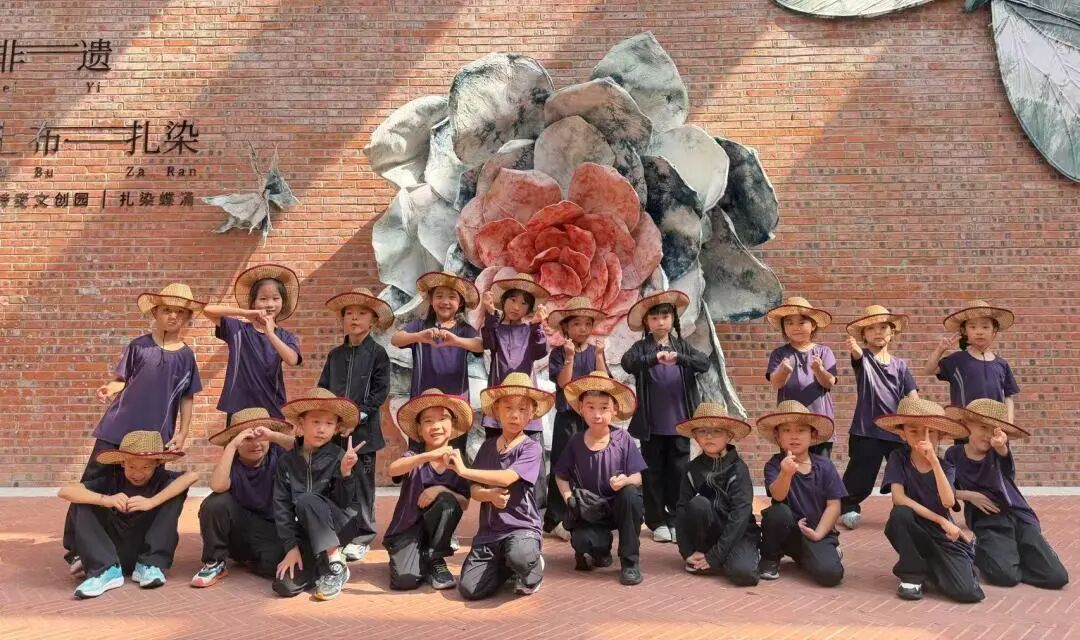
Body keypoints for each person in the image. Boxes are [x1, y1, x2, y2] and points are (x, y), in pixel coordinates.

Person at [63, 283, 204, 573]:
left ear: (188, 317)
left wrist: (183, 432)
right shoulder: (139, 346)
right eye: (167, 310)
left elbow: (187, 397)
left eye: (180, 312)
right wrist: (110, 388)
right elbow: (121, 380)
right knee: (92, 483)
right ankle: (77, 549)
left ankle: (143, 552)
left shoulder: (186, 357)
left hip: (155, 438)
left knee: (150, 489)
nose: (173, 316)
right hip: (116, 429)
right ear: (155, 312)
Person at [944, 399, 1068, 590]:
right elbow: (946, 490)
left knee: (1057, 577)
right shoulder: (954, 454)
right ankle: (982, 550)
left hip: (1018, 516)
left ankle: (1013, 557)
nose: (988, 435)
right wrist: (969, 495)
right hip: (988, 520)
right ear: (967, 424)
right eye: (983, 427)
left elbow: (1005, 461)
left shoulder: (996, 452)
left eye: (993, 430)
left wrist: (1001, 447)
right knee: (1006, 577)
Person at [450, 373, 553, 600]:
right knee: (470, 589)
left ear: (532, 413)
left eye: (522, 409)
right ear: (497, 410)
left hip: (521, 528)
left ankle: (531, 567)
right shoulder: (487, 448)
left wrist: (464, 470)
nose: (515, 415)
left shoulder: (531, 448)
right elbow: (474, 489)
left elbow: (508, 477)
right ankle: (507, 566)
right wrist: (488, 495)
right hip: (490, 533)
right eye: (508, 408)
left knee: (520, 556)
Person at [59, 431, 198, 598]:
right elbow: (65, 491)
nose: (138, 474)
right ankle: (105, 570)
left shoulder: (163, 479)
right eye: (132, 467)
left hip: (144, 549)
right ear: (122, 463)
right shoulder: (111, 479)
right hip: (113, 551)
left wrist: (152, 502)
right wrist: (106, 500)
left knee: (173, 494)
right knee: (82, 500)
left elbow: (192, 476)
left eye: (145, 467)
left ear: (157, 463)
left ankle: (150, 565)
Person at [621, 290, 708, 544]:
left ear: (673, 319)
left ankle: (676, 519)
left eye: (665, 317)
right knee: (653, 474)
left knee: (679, 473)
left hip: (680, 424)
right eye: (655, 318)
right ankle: (657, 521)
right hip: (651, 425)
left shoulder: (681, 346)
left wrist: (680, 358)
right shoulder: (641, 348)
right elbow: (628, 363)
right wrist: (653, 358)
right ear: (647, 322)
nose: (660, 322)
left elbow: (703, 363)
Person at [878, 397, 983, 602]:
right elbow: (899, 498)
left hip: (943, 536)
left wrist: (934, 461)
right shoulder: (898, 458)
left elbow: (947, 502)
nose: (922, 438)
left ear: (941, 435)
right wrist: (941, 520)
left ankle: (932, 569)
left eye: (930, 432)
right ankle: (911, 576)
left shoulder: (946, 467)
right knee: (900, 515)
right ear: (902, 433)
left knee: (967, 593)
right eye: (913, 431)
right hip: (914, 529)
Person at [319, 287, 394, 562]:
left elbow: (380, 392)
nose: (354, 318)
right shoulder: (335, 355)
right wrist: (332, 420)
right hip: (335, 432)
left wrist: (356, 417)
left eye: (362, 313)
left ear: (372, 320)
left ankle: (363, 536)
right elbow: (323, 389)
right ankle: (339, 532)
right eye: (349, 313)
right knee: (336, 482)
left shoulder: (378, 354)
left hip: (363, 433)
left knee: (362, 485)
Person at [271, 388, 364, 601]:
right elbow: (281, 506)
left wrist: (345, 472)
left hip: (339, 525)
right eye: (315, 422)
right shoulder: (286, 461)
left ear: (336, 428)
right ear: (301, 423)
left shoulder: (340, 457)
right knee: (284, 585)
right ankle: (323, 566)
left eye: (329, 423)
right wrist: (291, 547)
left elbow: (343, 503)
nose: (322, 429)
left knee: (307, 500)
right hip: (305, 531)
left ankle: (335, 562)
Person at [555, 371, 645, 585]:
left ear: (614, 409)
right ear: (581, 408)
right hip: (590, 509)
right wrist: (569, 498)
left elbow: (638, 477)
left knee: (630, 495)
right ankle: (599, 551)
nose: (597, 414)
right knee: (583, 541)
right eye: (591, 407)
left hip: (619, 507)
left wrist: (625, 481)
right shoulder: (576, 442)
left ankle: (630, 563)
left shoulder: (623, 439)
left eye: (604, 407)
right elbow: (560, 476)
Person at [192, 408, 295, 588]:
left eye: (260, 437)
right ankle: (215, 562)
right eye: (247, 439)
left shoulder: (279, 455)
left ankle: (253, 560)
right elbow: (218, 486)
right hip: (239, 530)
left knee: (276, 568)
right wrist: (231, 446)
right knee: (215, 503)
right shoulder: (231, 463)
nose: (255, 444)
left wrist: (274, 436)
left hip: (270, 529)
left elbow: (306, 450)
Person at [839, 305, 919, 530]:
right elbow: (857, 356)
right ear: (863, 335)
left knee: (906, 472)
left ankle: (907, 509)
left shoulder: (900, 365)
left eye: (883, 327)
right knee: (860, 475)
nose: (878, 332)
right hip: (866, 429)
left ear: (892, 332)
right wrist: (854, 349)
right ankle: (848, 508)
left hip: (896, 431)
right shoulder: (863, 358)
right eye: (871, 328)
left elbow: (913, 396)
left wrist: (915, 422)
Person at [384, 389, 472, 590]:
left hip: (437, 531)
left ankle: (436, 558)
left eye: (443, 419)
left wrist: (441, 489)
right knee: (405, 581)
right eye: (428, 421)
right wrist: (428, 456)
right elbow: (393, 469)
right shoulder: (413, 457)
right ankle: (420, 557)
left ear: (452, 424)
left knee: (447, 502)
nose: (436, 426)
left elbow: (465, 503)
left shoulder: (457, 462)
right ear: (419, 428)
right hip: (407, 529)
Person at [391, 271, 483, 452]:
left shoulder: (464, 329)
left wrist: (456, 341)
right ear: (431, 300)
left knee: (453, 451)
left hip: (455, 402)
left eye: (452, 297)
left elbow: (480, 345)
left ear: (460, 302)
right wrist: (419, 337)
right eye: (439, 296)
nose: (445, 301)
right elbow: (396, 339)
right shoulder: (421, 326)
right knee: (420, 450)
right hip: (422, 400)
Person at [756, 400, 845, 587]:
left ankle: (814, 555)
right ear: (778, 436)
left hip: (816, 530)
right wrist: (786, 473)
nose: (794, 436)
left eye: (801, 430)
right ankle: (770, 558)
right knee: (777, 512)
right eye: (786, 430)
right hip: (787, 532)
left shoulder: (825, 466)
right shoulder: (774, 465)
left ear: (812, 435)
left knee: (830, 575)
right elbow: (778, 496)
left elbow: (834, 505)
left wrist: (818, 534)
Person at [202, 264, 303, 422]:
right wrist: (244, 313)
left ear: (283, 302)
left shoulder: (285, 336)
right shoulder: (238, 329)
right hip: (239, 408)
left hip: (271, 407)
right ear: (253, 302)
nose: (270, 304)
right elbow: (207, 310)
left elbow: (292, 360)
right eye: (263, 299)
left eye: (275, 298)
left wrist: (270, 333)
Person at [544, 296, 608, 540]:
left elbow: (604, 382)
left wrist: (600, 356)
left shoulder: (594, 352)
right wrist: (570, 357)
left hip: (592, 419)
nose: (583, 329)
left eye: (587, 324)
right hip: (567, 417)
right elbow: (564, 383)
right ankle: (556, 518)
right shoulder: (558, 353)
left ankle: (585, 514)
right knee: (562, 465)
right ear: (566, 327)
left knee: (590, 465)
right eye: (577, 324)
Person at [675, 403, 760, 587]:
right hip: (706, 534)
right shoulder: (691, 469)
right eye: (703, 431)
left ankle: (728, 557)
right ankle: (703, 555)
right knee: (698, 504)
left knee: (745, 575)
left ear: (729, 435)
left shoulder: (738, 469)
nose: (709, 436)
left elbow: (740, 515)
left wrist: (716, 555)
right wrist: (686, 551)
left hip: (737, 534)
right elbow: (681, 509)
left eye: (716, 431)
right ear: (695, 436)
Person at [923, 299, 1019, 423]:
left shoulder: (1002, 364)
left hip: (994, 427)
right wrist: (940, 350)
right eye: (972, 327)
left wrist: (1009, 422)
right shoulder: (957, 360)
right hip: (965, 426)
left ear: (994, 331)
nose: (979, 332)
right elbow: (929, 370)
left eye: (985, 327)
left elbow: (1008, 396)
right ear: (964, 331)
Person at [764, 296, 837, 457]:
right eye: (789, 323)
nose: (795, 327)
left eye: (801, 322)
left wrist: (819, 370)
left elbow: (829, 382)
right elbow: (776, 383)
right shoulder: (779, 354)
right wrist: (783, 370)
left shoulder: (824, 352)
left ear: (813, 325)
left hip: (819, 423)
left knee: (821, 466)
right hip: (791, 426)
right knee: (791, 466)